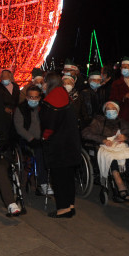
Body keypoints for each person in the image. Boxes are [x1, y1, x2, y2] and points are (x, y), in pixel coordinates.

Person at [82, 101, 129, 202]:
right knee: (112, 158)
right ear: (104, 111)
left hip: (121, 147)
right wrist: (103, 139)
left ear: (118, 111)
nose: (111, 111)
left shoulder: (123, 123)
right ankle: (120, 187)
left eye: (113, 109)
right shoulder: (98, 122)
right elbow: (86, 133)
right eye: (108, 109)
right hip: (105, 147)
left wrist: (126, 137)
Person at [39, 73, 83, 218]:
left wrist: (44, 138)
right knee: (69, 176)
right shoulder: (64, 94)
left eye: (44, 82)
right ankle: (70, 205)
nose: (42, 85)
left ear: (49, 83)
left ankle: (63, 208)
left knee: (59, 178)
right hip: (71, 143)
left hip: (58, 146)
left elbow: (49, 125)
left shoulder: (51, 100)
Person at [14, 85, 51, 195]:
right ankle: (43, 183)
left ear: (40, 98)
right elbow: (19, 128)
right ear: (26, 97)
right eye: (31, 97)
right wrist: (31, 138)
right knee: (39, 152)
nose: (33, 100)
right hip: (27, 139)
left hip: (43, 138)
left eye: (35, 97)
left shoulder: (44, 108)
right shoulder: (20, 108)